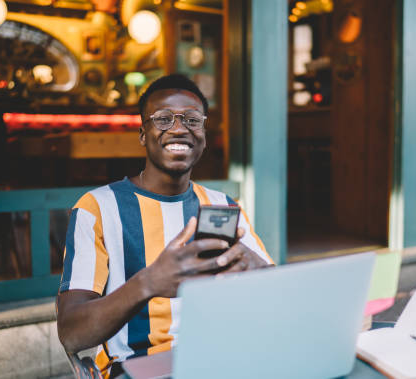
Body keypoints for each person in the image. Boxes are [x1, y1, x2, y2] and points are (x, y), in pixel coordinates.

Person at [56, 74, 273, 377]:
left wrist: (260, 271)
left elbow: (276, 300)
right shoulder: (98, 208)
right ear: (143, 133)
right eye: (164, 118)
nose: (179, 128)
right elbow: (71, 332)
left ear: (204, 134)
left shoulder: (223, 205)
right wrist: (148, 282)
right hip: (139, 367)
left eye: (192, 119)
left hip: (222, 360)